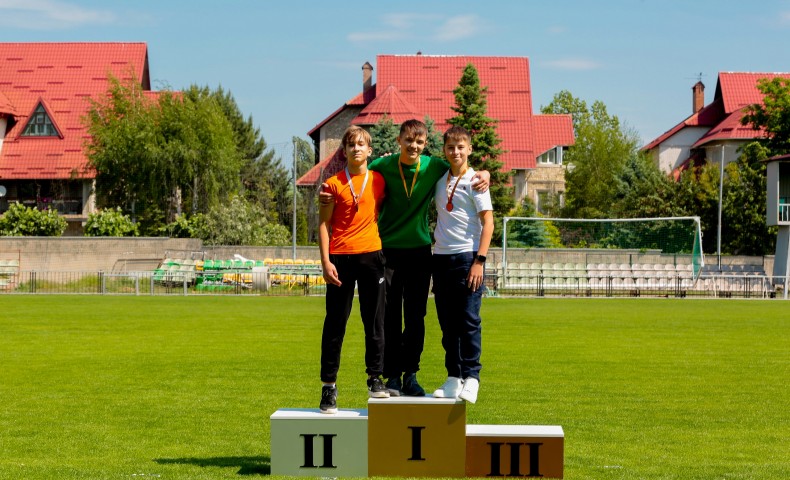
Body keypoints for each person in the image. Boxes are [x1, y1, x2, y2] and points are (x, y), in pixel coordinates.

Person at [349, 119, 489, 397]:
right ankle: (392, 377)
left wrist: (485, 173)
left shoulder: (434, 166)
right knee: (388, 317)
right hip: (387, 251)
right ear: (399, 141)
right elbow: (358, 170)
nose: (413, 146)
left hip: (420, 253)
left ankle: (411, 374)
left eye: (419, 142)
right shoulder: (382, 166)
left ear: (425, 145)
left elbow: (462, 166)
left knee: (416, 317)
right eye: (408, 140)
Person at [318, 126, 389, 414]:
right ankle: (328, 387)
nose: (357, 149)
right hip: (340, 258)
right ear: (344, 151)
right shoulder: (331, 184)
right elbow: (323, 225)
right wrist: (325, 262)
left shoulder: (380, 181)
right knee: (335, 324)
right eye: (351, 145)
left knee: (374, 321)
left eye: (362, 145)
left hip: (372, 256)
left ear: (369, 151)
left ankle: (375, 378)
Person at [430, 126, 493, 404]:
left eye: (461, 147)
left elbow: (488, 222)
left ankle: (472, 377)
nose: (455, 152)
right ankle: (453, 377)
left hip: (468, 258)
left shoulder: (477, 181)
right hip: (440, 259)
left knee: (468, 320)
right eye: (450, 147)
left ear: (470, 149)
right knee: (447, 323)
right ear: (444, 150)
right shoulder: (439, 178)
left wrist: (479, 261)